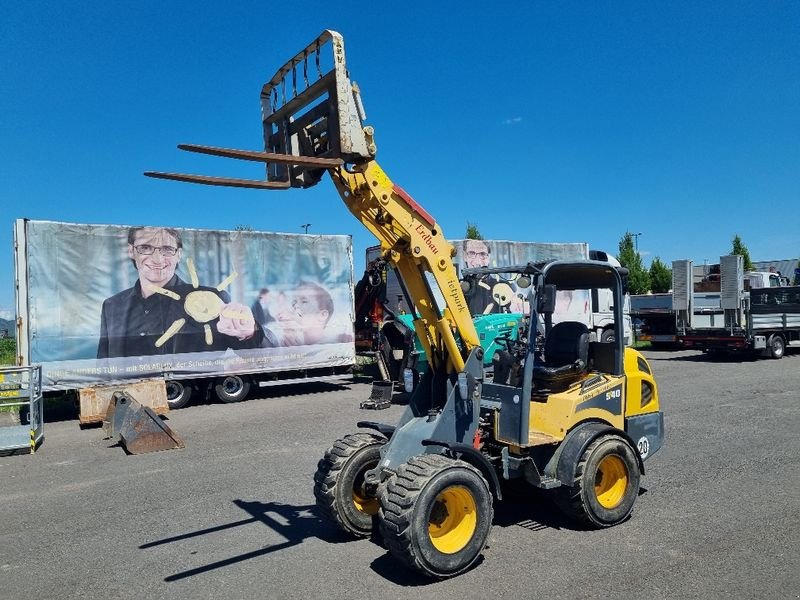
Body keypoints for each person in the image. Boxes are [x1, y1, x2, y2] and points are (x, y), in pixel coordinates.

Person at [97, 226, 262, 358]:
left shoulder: (211, 300)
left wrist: (249, 333)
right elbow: (103, 363)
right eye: (146, 248)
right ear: (131, 251)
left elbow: (251, 352)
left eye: (167, 249)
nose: (157, 259)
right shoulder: (112, 305)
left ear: (179, 255)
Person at [271, 281, 353, 346]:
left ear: (322, 315)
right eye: (294, 302)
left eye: (304, 301)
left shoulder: (335, 345)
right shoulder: (289, 342)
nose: (295, 306)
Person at [461, 239, 499, 315]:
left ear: (489, 257)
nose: (477, 261)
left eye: (482, 254)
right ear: (465, 257)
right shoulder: (457, 287)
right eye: (471, 253)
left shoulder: (503, 285)